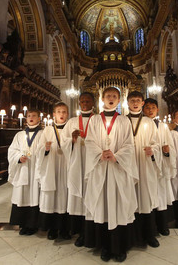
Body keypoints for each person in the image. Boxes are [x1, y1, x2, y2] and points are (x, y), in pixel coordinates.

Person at [84, 87, 138, 262]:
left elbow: (129, 144)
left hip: (117, 168)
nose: (111, 99)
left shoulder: (123, 120)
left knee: (119, 205)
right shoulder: (94, 120)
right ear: (102, 98)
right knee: (103, 206)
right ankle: (105, 246)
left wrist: (117, 156)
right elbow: (89, 141)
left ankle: (120, 246)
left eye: (115, 96)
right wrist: (100, 153)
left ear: (119, 99)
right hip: (100, 168)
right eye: (108, 96)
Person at [127, 92, 161, 248]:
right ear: (127, 103)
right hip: (127, 165)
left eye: (138, 101)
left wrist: (152, 150)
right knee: (128, 198)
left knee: (145, 197)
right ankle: (130, 236)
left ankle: (149, 235)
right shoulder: (122, 121)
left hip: (144, 164)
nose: (135, 103)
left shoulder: (149, 122)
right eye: (132, 100)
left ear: (142, 104)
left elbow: (157, 143)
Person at [60, 92, 95, 247]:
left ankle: (93, 231)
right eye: (82, 101)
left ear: (94, 102)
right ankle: (81, 233)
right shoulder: (73, 121)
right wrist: (72, 140)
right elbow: (63, 142)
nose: (85, 103)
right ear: (79, 103)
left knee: (93, 196)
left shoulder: (98, 120)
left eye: (88, 101)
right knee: (79, 198)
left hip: (94, 164)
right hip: (77, 163)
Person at [35, 102, 70, 240]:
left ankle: (65, 229)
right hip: (51, 166)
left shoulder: (71, 128)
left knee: (65, 195)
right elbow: (39, 149)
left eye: (64, 112)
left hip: (66, 166)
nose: (61, 114)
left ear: (67, 114)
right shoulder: (48, 130)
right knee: (52, 197)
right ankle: (52, 228)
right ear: (54, 114)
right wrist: (46, 148)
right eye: (59, 112)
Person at [143, 98, 176, 236]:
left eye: (153, 108)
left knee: (161, 195)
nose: (150, 110)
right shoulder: (140, 125)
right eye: (147, 108)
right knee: (147, 196)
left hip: (160, 166)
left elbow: (171, 146)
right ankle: (149, 227)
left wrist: (168, 152)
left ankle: (162, 225)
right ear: (143, 109)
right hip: (146, 164)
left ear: (157, 109)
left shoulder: (163, 127)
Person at [8, 109, 43, 235]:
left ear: (39, 118)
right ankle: (23, 224)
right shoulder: (20, 135)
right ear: (26, 119)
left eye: (34, 116)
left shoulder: (43, 134)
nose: (31, 118)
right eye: (29, 116)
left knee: (35, 195)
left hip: (36, 169)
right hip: (23, 168)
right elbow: (12, 150)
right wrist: (18, 157)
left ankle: (33, 225)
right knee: (22, 195)